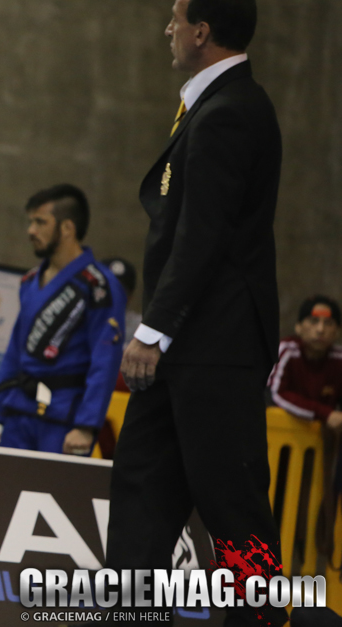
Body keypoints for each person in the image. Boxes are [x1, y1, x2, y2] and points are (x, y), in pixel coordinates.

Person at [107, 1, 286, 624]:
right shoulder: (210, 107)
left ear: (202, 31)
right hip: (183, 348)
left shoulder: (232, 111)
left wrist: (152, 330)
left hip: (215, 347)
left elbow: (202, 236)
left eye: (176, 18)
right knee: (141, 488)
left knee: (233, 507)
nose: (169, 29)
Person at [0, 184, 125, 455]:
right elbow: (14, 351)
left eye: (40, 222)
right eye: (31, 222)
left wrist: (86, 426)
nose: (31, 231)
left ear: (67, 228)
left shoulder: (98, 286)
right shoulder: (30, 280)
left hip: (64, 417)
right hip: (18, 410)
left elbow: (105, 361)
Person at [268, 296, 342, 427]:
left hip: (319, 435)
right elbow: (275, 394)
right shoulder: (287, 351)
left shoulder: (338, 359)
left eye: (328, 323)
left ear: (337, 331)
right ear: (298, 327)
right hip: (279, 430)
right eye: (313, 321)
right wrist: (325, 414)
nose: (320, 329)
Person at [102, 257, 141, 350]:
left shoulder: (141, 327)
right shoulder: (81, 322)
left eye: (120, 290)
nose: (113, 294)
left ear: (130, 296)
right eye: (107, 288)